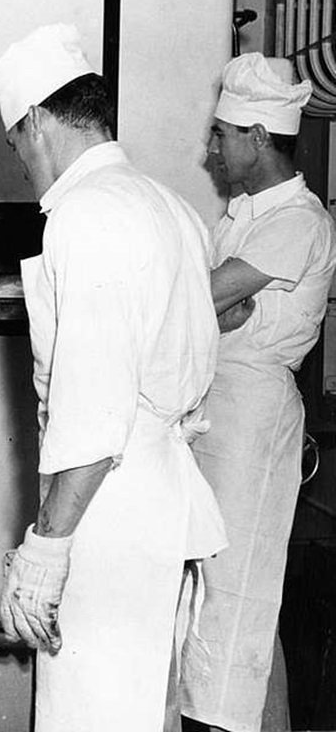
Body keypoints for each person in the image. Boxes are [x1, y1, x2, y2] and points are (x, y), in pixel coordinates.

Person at [0, 23, 228, 732]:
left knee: (92, 716)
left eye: (15, 144)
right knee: (143, 711)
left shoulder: (84, 215)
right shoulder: (169, 205)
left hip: (109, 516)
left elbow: (93, 409)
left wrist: (46, 547)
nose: (21, 163)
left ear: (34, 122)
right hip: (162, 501)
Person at [178, 53, 336, 732]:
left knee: (235, 586)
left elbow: (206, 295)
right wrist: (223, 308)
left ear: (256, 137)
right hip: (212, 405)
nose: (210, 149)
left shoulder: (297, 219)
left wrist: (222, 305)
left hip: (251, 421)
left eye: (219, 134)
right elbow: (216, 308)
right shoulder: (240, 215)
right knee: (204, 584)